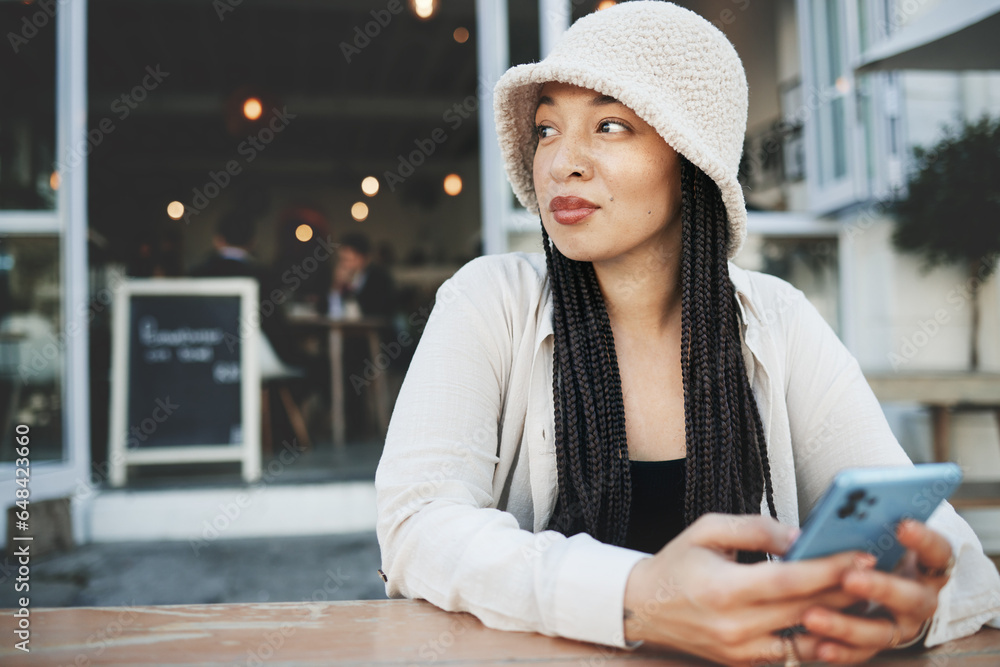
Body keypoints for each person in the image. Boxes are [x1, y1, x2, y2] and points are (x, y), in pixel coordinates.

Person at [374, 3, 1000, 665]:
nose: (562, 162)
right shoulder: (489, 301)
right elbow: (419, 527)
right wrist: (638, 594)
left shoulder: (778, 321)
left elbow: (950, 556)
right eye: (547, 127)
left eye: (609, 125)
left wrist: (900, 610)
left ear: (692, 156)